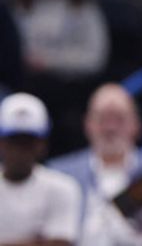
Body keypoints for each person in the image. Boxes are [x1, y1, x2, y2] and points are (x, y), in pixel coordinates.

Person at [49, 84, 142, 246]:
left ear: (136, 124)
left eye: (119, 119)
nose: (110, 128)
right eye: (102, 119)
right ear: (88, 124)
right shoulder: (60, 174)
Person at [0, 92, 82, 246]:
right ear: (1, 143)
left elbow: (60, 243)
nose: (19, 151)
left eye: (27, 143)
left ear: (42, 145)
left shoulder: (63, 188)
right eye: (13, 141)